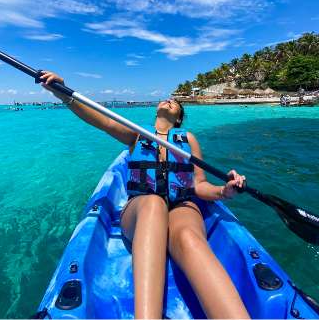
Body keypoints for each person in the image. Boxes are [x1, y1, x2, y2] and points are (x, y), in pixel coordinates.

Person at [40, 71, 250, 319]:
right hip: (141, 210)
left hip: (182, 206)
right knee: (153, 202)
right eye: (166, 99)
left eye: (176, 103)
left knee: (189, 239)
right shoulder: (137, 134)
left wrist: (224, 191)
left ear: (179, 118)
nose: (170, 100)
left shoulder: (188, 139)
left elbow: (199, 185)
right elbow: (101, 120)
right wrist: (63, 92)